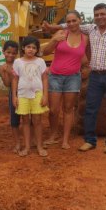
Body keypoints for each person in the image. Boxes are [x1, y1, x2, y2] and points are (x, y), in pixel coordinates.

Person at [43, 3, 106, 154]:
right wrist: (53, 31)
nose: (100, 17)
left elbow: (89, 53)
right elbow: (64, 28)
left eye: (103, 14)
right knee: (85, 108)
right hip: (82, 75)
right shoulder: (87, 30)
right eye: (97, 15)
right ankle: (89, 140)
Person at [42, 10, 88, 150]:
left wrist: (87, 67)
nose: (71, 23)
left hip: (73, 77)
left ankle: (65, 139)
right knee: (54, 110)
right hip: (55, 76)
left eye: (74, 20)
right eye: (68, 21)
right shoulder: (61, 34)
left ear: (80, 20)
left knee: (68, 109)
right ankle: (53, 135)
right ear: (65, 23)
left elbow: (85, 57)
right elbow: (46, 52)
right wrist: (54, 40)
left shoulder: (85, 38)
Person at [12, 36, 49, 157]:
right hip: (22, 95)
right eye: (28, 47)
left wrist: (45, 95)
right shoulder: (17, 62)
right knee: (25, 121)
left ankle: (39, 146)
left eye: (34, 48)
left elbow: (44, 79)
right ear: (23, 48)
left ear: (37, 50)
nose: (31, 49)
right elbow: (15, 79)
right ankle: (27, 147)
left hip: (37, 94)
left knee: (37, 121)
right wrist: (14, 96)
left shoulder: (40, 61)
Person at [0, 40, 21, 153]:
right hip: (13, 93)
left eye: (13, 53)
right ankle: (17, 143)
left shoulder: (21, 63)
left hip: (25, 93)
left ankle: (32, 141)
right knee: (14, 120)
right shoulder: (1, 68)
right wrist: (7, 72)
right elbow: (7, 84)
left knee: (29, 118)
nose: (10, 55)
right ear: (3, 52)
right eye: (8, 52)